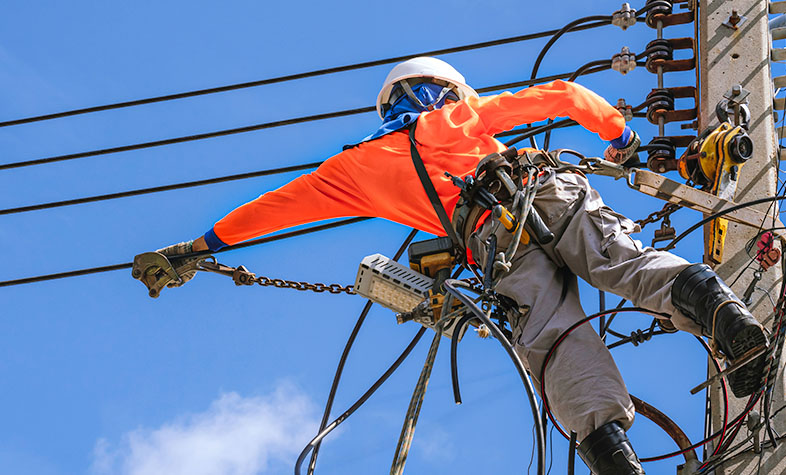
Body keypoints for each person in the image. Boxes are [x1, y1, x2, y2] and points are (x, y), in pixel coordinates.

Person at [145, 57, 768, 474]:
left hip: (493, 240)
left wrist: (194, 251)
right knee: (624, 263)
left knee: (552, 339)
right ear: (446, 92)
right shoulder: (457, 118)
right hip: (543, 192)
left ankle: (611, 454)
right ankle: (729, 324)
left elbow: (273, 210)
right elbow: (566, 95)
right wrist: (621, 138)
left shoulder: (352, 170)